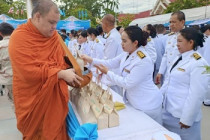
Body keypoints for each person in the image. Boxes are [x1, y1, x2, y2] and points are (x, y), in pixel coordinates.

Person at [8, 0, 82, 139]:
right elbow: (27, 72)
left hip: (54, 99)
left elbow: (60, 62)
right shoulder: (19, 37)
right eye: (51, 22)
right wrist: (60, 73)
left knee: (56, 132)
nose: (55, 27)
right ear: (37, 16)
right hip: (32, 100)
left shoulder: (54, 37)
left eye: (56, 23)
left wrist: (71, 70)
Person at [82, 26, 163, 124]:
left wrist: (107, 72)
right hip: (134, 100)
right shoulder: (127, 53)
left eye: (124, 41)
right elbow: (110, 62)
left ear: (135, 43)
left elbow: (127, 83)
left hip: (147, 104)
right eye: (121, 40)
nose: (121, 44)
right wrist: (90, 59)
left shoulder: (143, 60)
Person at [160, 28, 209, 140]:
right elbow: (168, 82)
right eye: (177, 41)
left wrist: (187, 119)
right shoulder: (179, 58)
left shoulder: (199, 63)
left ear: (191, 42)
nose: (177, 44)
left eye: (180, 41)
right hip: (169, 111)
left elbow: (197, 94)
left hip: (183, 118)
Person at [156, 11, 185, 85]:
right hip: (168, 74)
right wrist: (160, 72)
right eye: (170, 22)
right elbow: (166, 55)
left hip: (181, 75)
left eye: (174, 22)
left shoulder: (189, 36)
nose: (171, 25)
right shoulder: (170, 37)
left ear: (182, 22)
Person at [101, 14, 123, 94]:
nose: (101, 26)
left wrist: (101, 71)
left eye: (102, 23)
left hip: (112, 74)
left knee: (113, 98)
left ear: (105, 24)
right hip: (114, 73)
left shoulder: (112, 37)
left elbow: (108, 58)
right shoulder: (114, 34)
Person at [0, 22, 14, 100]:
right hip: (24, 78)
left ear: (0, 33)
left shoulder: (1, 45)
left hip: (9, 79)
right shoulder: (21, 42)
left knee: (15, 104)